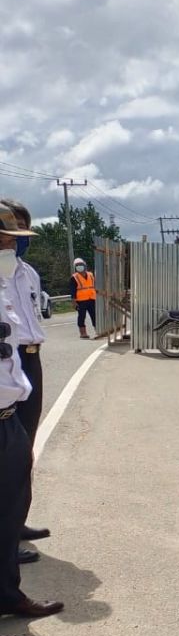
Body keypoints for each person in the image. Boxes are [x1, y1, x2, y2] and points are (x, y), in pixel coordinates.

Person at [0, 203, 63, 629]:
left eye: (15, 237)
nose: (13, 243)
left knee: (17, 476)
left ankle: (8, 590)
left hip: (15, 383)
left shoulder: (19, 278)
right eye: (6, 238)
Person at [0, 200, 51, 563]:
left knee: (23, 447)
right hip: (8, 363)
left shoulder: (28, 273)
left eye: (21, 229)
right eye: (10, 230)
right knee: (6, 452)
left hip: (31, 362)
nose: (15, 239)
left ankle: (17, 523)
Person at [70, 257, 96, 340]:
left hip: (91, 299)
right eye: (77, 265)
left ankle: (98, 330)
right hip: (81, 301)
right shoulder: (74, 278)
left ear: (85, 265)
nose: (79, 266)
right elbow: (72, 291)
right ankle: (83, 333)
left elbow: (94, 286)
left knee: (94, 316)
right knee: (81, 316)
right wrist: (74, 302)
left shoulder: (91, 275)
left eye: (80, 265)